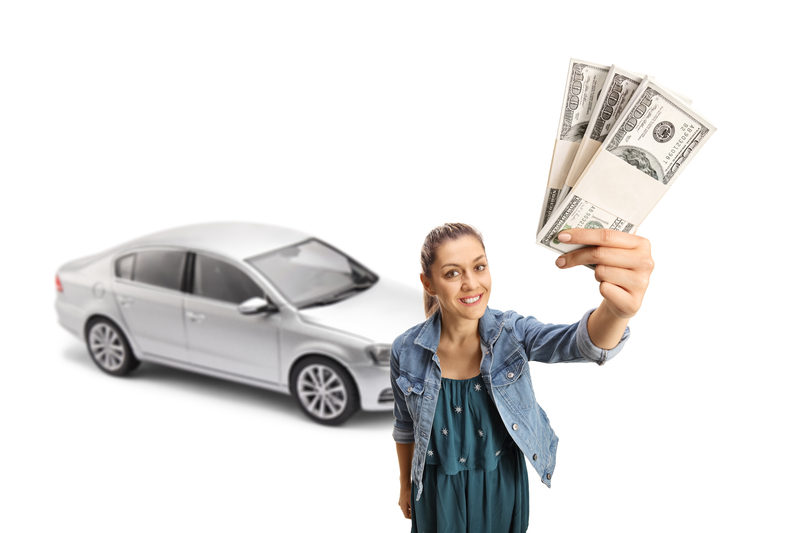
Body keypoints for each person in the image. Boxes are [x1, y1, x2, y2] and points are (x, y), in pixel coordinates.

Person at [390, 222, 654, 532]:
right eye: (452, 273)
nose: (471, 283)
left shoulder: (511, 333)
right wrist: (404, 485)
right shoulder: (405, 350)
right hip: (435, 489)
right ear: (428, 283)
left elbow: (577, 343)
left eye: (479, 267)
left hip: (500, 484)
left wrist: (617, 312)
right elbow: (405, 427)